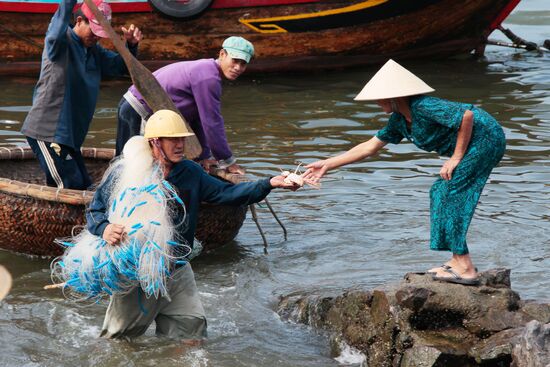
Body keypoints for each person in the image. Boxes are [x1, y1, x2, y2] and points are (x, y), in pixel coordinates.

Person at [53, 109, 298, 343]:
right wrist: (105, 228)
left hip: (178, 268)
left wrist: (269, 183)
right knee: (117, 342)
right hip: (140, 272)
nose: (180, 145)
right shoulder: (129, 173)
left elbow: (228, 193)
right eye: (172, 140)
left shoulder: (190, 172)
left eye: (181, 139)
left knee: (191, 335)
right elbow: (95, 209)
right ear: (155, 143)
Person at [304, 59, 506, 286]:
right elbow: (369, 148)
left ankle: (466, 267)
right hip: (471, 144)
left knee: (452, 193)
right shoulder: (398, 121)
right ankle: (457, 259)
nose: (377, 103)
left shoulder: (423, 106)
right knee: (439, 190)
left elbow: (466, 116)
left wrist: (456, 157)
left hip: (485, 139)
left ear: (394, 96)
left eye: (380, 98)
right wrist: (328, 164)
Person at [21, 0, 142, 190]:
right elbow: (58, 24)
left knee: (85, 186)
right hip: (47, 132)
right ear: (79, 21)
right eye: (93, 31)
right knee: (70, 186)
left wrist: (131, 45)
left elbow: (119, 67)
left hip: (70, 137)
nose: (96, 37)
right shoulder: (60, 43)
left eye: (100, 34)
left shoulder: (94, 50)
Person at [115, 36, 255, 174]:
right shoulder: (209, 77)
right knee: (129, 165)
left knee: (125, 162)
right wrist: (227, 161)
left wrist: (203, 156)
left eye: (243, 64)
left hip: (132, 106)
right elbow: (212, 122)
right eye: (235, 61)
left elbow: (199, 120)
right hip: (137, 109)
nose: (238, 67)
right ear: (222, 54)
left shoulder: (206, 70)